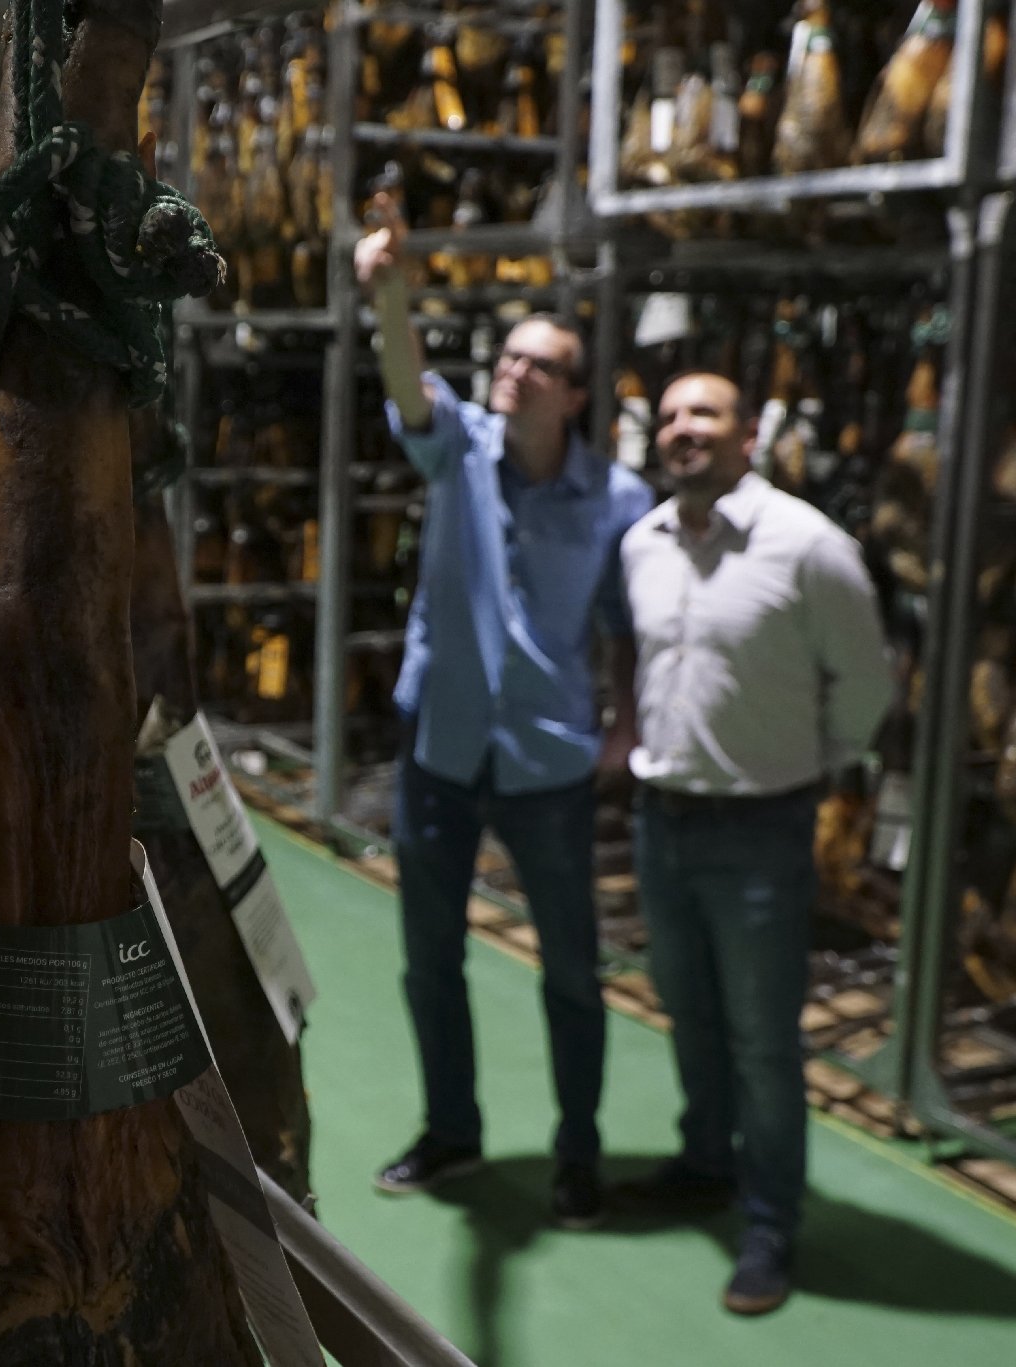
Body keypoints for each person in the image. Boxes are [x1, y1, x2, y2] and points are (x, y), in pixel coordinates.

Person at [355, 195, 654, 1230]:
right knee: (429, 954)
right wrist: (388, 295)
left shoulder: (618, 497)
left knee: (572, 968)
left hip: (547, 763)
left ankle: (577, 1152)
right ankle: (452, 1128)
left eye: (535, 365)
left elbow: (627, 626)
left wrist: (624, 724)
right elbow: (407, 383)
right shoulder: (460, 449)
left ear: (572, 396)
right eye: (508, 358)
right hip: (440, 748)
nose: (510, 372)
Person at [619, 371, 893, 1313]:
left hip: (760, 827)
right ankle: (706, 1162)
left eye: (705, 414)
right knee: (687, 1008)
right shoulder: (641, 545)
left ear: (747, 437)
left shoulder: (809, 547)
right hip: (664, 820)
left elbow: (866, 686)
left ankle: (771, 1219)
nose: (682, 429)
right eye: (669, 416)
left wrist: (809, 766)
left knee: (764, 1037)